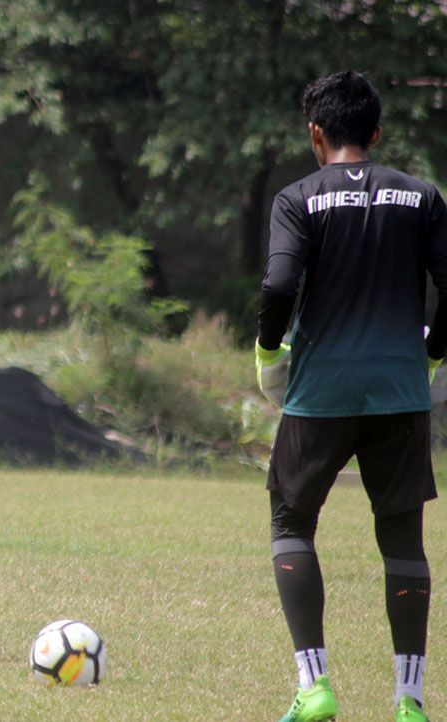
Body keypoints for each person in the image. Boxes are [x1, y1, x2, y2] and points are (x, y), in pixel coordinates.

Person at [256, 70, 445, 722]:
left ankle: (315, 689)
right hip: (400, 391)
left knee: (290, 523)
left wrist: (267, 349)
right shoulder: (422, 197)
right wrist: (432, 351)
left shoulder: (296, 198)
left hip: (319, 394)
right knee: (402, 542)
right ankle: (410, 702)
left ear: (316, 134)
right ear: (376, 132)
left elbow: (279, 286)